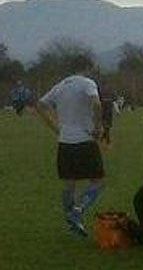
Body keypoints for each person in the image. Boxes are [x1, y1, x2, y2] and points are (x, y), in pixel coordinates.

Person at [35, 54, 105, 236]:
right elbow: (97, 104)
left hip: (65, 142)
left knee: (69, 184)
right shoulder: (87, 83)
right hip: (85, 140)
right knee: (97, 181)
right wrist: (98, 127)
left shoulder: (61, 85)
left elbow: (41, 105)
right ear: (87, 67)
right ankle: (78, 211)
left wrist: (55, 127)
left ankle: (72, 224)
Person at [99, 83, 119, 147]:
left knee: (107, 126)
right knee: (106, 126)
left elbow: (114, 100)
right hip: (105, 110)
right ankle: (107, 140)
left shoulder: (102, 92)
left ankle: (103, 138)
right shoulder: (102, 92)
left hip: (107, 110)